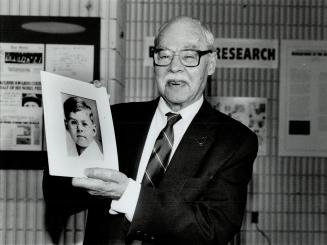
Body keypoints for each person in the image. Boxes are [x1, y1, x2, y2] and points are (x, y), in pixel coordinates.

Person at [43, 16, 258, 245]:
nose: (174, 67)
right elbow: (59, 198)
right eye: (164, 56)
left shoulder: (233, 141)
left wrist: (127, 194)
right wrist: (66, 136)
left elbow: (213, 230)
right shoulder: (117, 120)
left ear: (211, 63)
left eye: (188, 56)